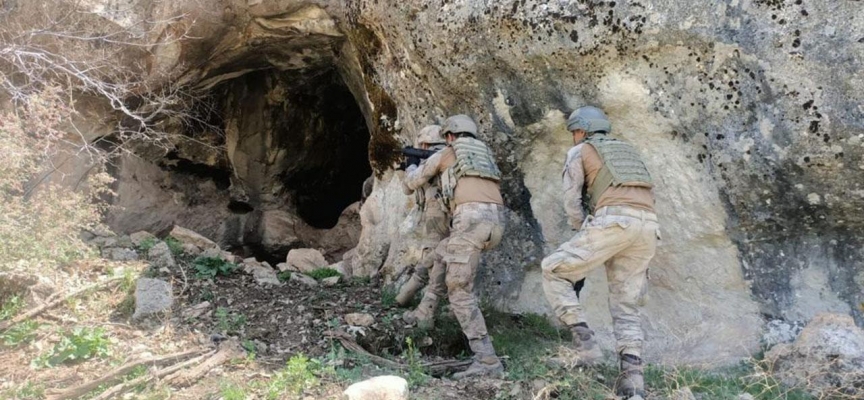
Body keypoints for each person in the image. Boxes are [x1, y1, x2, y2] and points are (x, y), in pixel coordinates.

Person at [542, 106, 659, 399]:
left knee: (554, 270)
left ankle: (586, 348)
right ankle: (633, 384)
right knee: (626, 305)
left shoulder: (581, 150)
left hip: (613, 221)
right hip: (649, 227)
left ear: (582, 130)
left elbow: (571, 201)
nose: (573, 137)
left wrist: (583, 229)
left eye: (573, 132)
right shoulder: (628, 153)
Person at [403, 114, 507, 379]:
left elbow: (411, 183)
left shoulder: (449, 152)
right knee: (442, 253)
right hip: (496, 221)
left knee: (459, 290)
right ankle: (425, 309)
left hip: (470, 220)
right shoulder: (483, 154)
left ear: (449, 136)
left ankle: (487, 359)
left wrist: (410, 165)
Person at [396, 125, 450, 330]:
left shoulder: (434, 158)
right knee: (435, 255)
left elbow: (409, 186)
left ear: (425, 144)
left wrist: (411, 165)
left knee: (433, 254)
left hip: (437, 212)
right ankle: (404, 296)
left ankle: (427, 310)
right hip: (454, 213)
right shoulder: (448, 156)